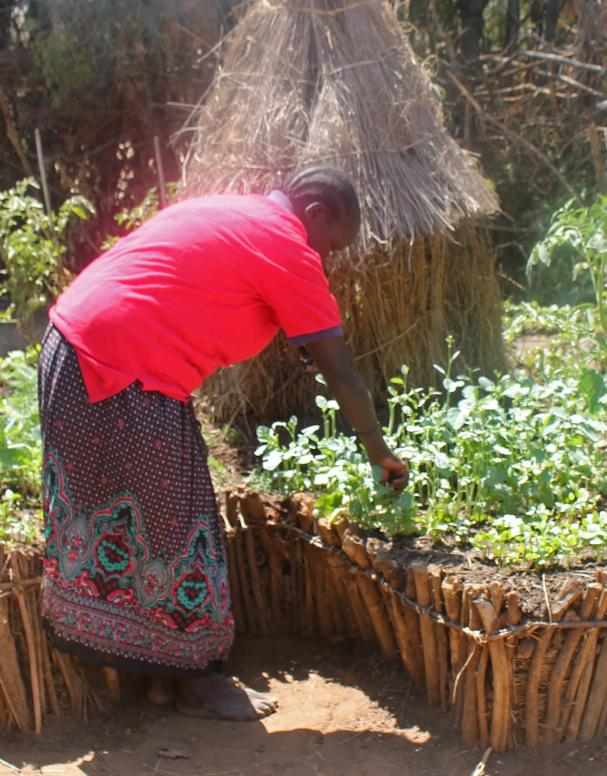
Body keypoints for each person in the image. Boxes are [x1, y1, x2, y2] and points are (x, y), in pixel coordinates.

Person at [37, 166, 409, 721]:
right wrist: (379, 451)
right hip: (119, 371)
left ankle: (165, 682)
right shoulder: (285, 243)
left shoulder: (235, 214)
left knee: (156, 524)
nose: (325, 260)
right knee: (187, 530)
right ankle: (198, 683)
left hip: (72, 355)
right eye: (331, 245)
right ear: (317, 215)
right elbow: (343, 374)